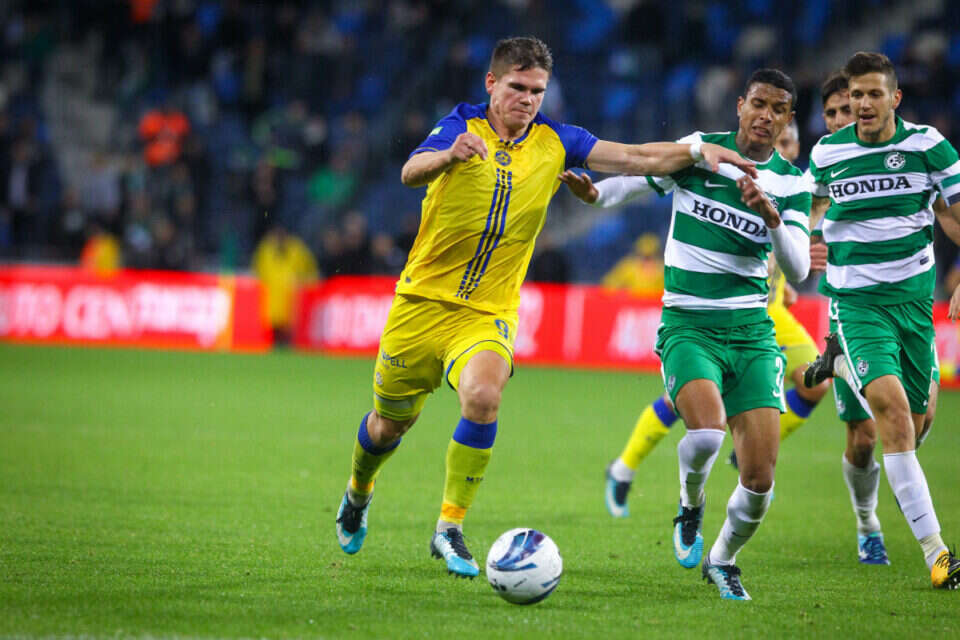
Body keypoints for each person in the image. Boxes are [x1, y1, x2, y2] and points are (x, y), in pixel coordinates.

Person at [333, 36, 757, 579]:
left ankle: (449, 527)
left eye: (537, 91)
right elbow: (410, 171)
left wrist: (697, 153)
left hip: (487, 313)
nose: (528, 99)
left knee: (483, 397)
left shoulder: (558, 140)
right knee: (388, 427)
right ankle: (358, 491)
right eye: (518, 87)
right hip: (419, 306)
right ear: (492, 83)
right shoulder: (460, 124)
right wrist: (448, 155)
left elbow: (634, 157)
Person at [560, 69, 811, 600]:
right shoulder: (701, 152)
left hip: (751, 332)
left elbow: (799, 268)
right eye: (758, 104)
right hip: (688, 324)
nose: (766, 116)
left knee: (759, 479)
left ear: (789, 119)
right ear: (740, 105)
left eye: (778, 109)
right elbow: (636, 178)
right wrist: (594, 195)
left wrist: (771, 219)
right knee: (706, 432)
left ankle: (723, 559)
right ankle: (690, 505)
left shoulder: (793, 184)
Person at [804, 52, 960, 590]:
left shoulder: (929, 147)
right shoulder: (828, 153)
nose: (863, 104)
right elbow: (811, 207)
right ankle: (937, 553)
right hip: (857, 306)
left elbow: (953, 215)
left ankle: (842, 367)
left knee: (916, 425)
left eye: (874, 94)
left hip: (914, 306)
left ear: (895, 97)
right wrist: (804, 237)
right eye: (856, 95)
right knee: (886, 420)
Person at [251, 224, 318, 346]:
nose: (278, 238)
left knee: (289, 327)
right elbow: (258, 271)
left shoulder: (297, 250)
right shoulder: (266, 250)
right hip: (272, 296)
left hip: (292, 297)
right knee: (272, 326)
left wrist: (303, 284)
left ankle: (290, 345)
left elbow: (310, 272)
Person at [601, 232, 665, 297]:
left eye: (650, 257)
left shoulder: (664, 271)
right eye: (644, 257)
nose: (647, 263)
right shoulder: (628, 268)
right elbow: (608, 286)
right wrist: (623, 292)